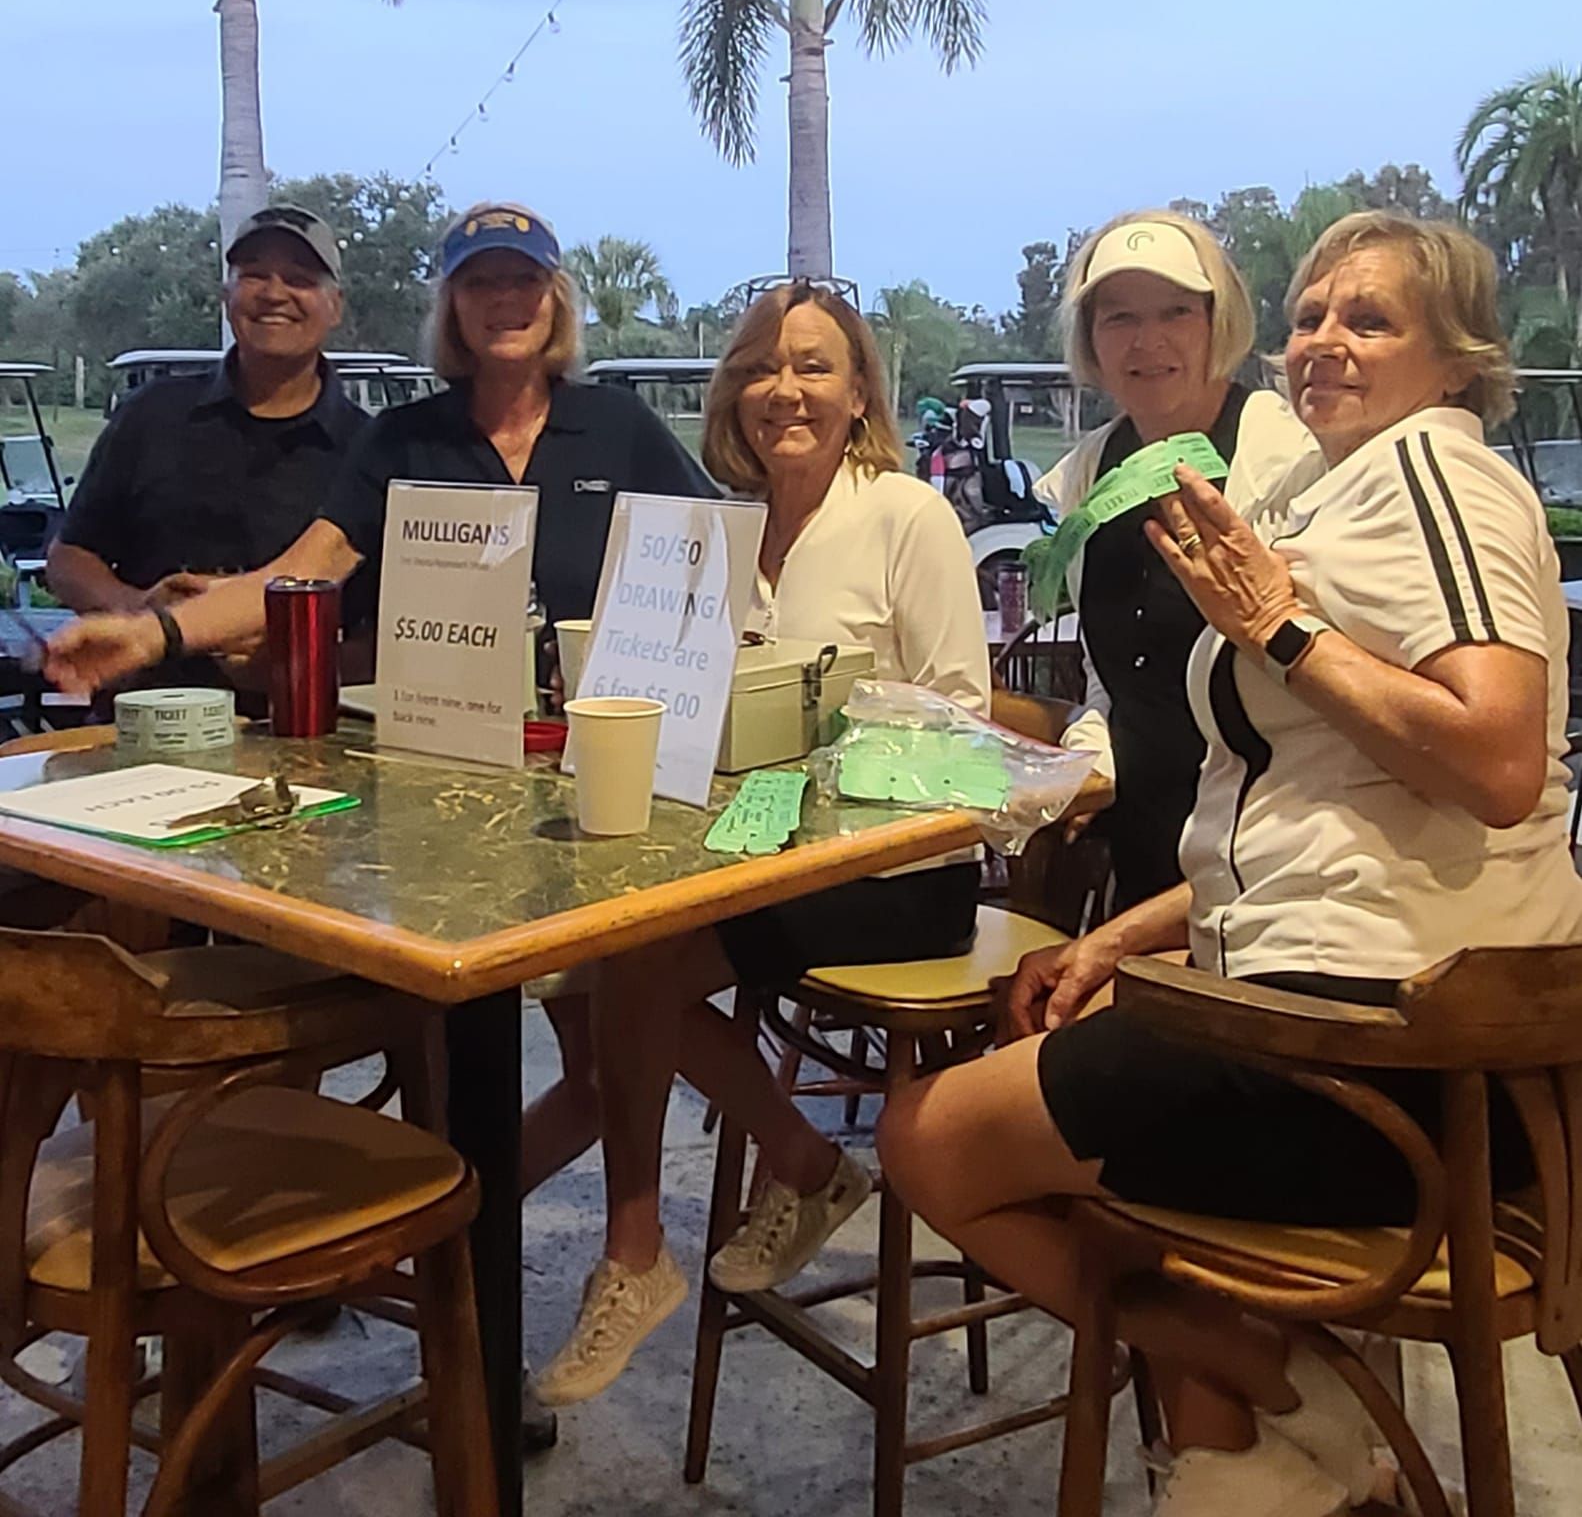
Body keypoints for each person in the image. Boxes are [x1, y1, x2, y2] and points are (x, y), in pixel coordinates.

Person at [879, 212, 1582, 1517]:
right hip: (1332, 1002)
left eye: (1366, 319)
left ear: (1454, 358)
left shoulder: (1429, 470)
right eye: (1313, 313)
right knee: (1102, 1153)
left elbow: (1494, 760)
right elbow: (1303, 816)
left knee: (930, 1139)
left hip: (1375, 1056)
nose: (1324, 340)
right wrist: (1114, 940)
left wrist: (1279, 624)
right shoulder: (1333, 483)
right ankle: (1268, 1446)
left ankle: (1282, 1387)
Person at [45, 199, 717, 1374]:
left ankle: (494, 1255)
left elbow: (709, 563)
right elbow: (303, 574)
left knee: (611, 1044)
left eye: (524, 281)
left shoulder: (618, 426)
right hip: (434, 810)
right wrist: (153, 638)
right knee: (451, 1051)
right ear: (450, 307)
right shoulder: (401, 440)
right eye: (477, 284)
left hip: (590, 798)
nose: (503, 301)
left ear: (555, 298)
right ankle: (447, 1283)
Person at [535, 280, 991, 1407]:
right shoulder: (719, 527)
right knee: (604, 951)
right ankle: (784, 1177)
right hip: (748, 854)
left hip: (898, 870)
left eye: (814, 365)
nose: (783, 388)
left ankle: (662, 1241)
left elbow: (966, 717)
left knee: (630, 956)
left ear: (859, 392)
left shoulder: (905, 514)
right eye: (759, 367)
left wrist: (815, 750)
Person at [1033, 211, 1312, 910]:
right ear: (1090, 339)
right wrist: (1089, 753)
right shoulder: (1085, 474)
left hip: (1274, 857)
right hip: (1141, 846)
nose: (1146, 342)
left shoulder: (1290, 460)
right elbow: (1111, 678)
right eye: (1118, 317)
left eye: (1176, 313)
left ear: (1218, 322)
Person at [47, 204, 369, 695]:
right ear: (227, 296)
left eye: (299, 279)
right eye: (255, 275)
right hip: (143, 719)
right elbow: (69, 558)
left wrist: (289, 659)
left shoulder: (370, 451)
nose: (274, 294)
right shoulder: (150, 414)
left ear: (336, 306)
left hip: (300, 727)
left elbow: (391, 639)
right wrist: (139, 612)